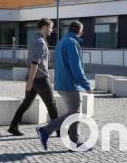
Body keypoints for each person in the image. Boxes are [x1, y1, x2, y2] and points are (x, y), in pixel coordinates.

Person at [37, 21, 93, 151]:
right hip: (70, 84)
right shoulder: (72, 43)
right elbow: (76, 67)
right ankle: (45, 130)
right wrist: (86, 85)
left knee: (73, 113)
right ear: (80, 31)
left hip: (62, 83)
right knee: (75, 114)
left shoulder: (62, 42)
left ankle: (74, 143)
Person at [8, 18, 58, 136]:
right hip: (40, 79)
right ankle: (59, 130)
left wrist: (30, 80)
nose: (51, 30)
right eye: (51, 27)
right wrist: (30, 81)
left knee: (27, 103)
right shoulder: (40, 42)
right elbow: (35, 63)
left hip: (34, 78)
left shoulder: (35, 39)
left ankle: (13, 126)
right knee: (51, 104)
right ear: (45, 27)